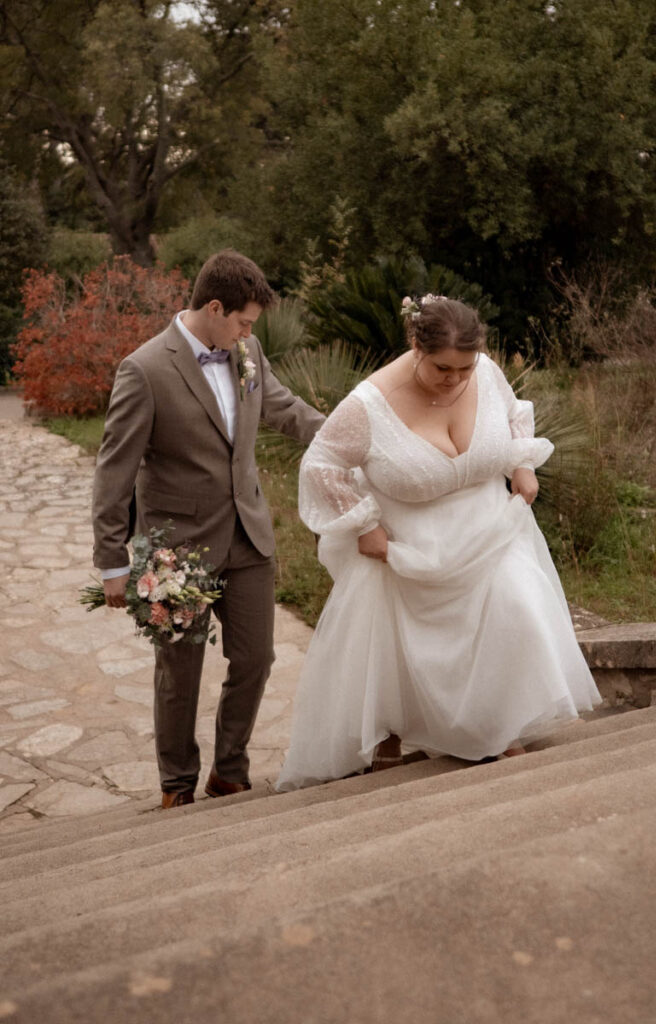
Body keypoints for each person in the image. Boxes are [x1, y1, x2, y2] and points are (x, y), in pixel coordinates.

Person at [277, 295, 601, 790]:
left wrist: (522, 463)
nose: (454, 379)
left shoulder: (485, 372)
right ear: (416, 346)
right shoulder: (367, 404)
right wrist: (363, 523)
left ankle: (500, 730)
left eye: (464, 368)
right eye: (442, 368)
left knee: (518, 609)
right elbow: (321, 464)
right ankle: (400, 732)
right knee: (413, 654)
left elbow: (515, 412)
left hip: (492, 531)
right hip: (412, 549)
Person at [92, 249, 325, 808]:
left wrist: (352, 435)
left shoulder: (247, 352)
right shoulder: (145, 369)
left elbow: (283, 407)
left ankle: (229, 771)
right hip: (178, 552)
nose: (249, 333)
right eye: (243, 321)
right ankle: (177, 786)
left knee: (256, 660)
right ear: (215, 308)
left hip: (249, 536)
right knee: (180, 674)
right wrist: (112, 561)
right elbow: (114, 471)